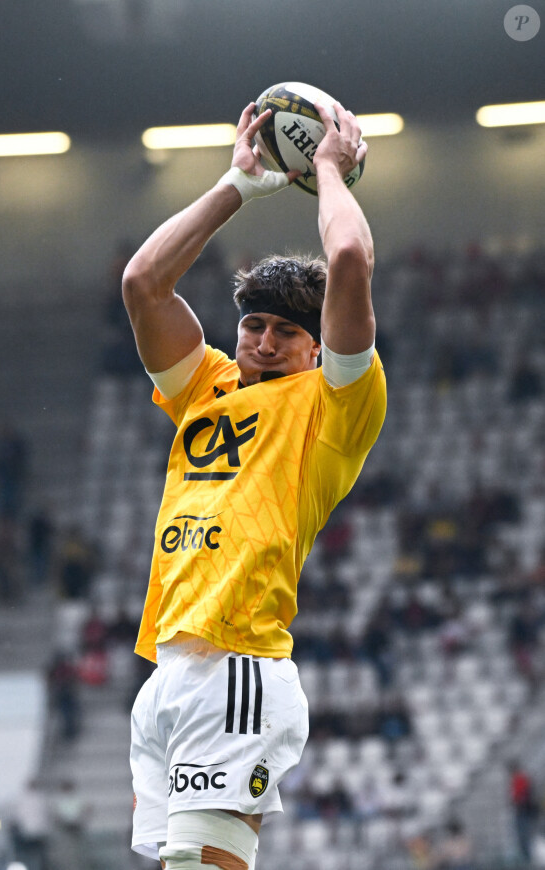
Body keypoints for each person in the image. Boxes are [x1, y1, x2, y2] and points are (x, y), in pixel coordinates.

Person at [123, 98, 386, 869]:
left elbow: (348, 264)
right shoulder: (209, 381)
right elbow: (144, 282)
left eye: (286, 332)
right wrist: (238, 183)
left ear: (314, 348)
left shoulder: (334, 403)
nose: (264, 342)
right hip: (167, 674)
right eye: (253, 325)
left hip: (239, 667)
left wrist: (330, 172)